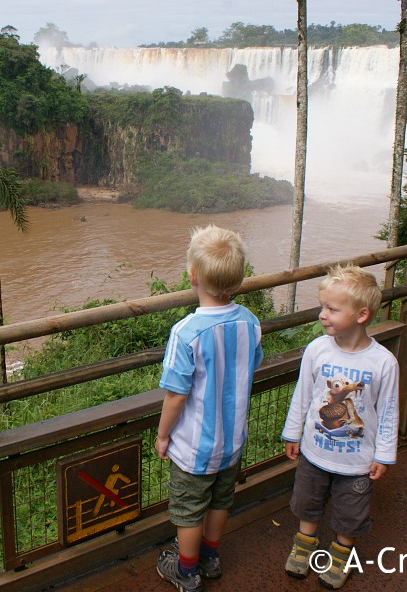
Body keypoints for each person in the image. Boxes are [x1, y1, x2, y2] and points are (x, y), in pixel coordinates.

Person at [154, 224, 264, 592]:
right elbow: (252, 363)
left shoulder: (185, 332)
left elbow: (175, 395)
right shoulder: (250, 321)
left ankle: (186, 571)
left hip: (194, 447)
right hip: (232, 441)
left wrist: (163, 435)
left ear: (192, 276)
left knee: (188, 510)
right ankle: (211, 557)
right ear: (240, 277)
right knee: (220, 500)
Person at [281, 263, 399, 589]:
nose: (323, 315)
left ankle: (341, 555)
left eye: (332, 309)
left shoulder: (383, 362)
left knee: (351, 511)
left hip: (357, 460)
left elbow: (389, 411)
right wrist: (292, 433)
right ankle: (305, 546)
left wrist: (385, 453)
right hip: (314, 451)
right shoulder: (316, 350)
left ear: (361, 315)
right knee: (307, 501)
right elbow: (302, 394)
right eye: (323, 306)